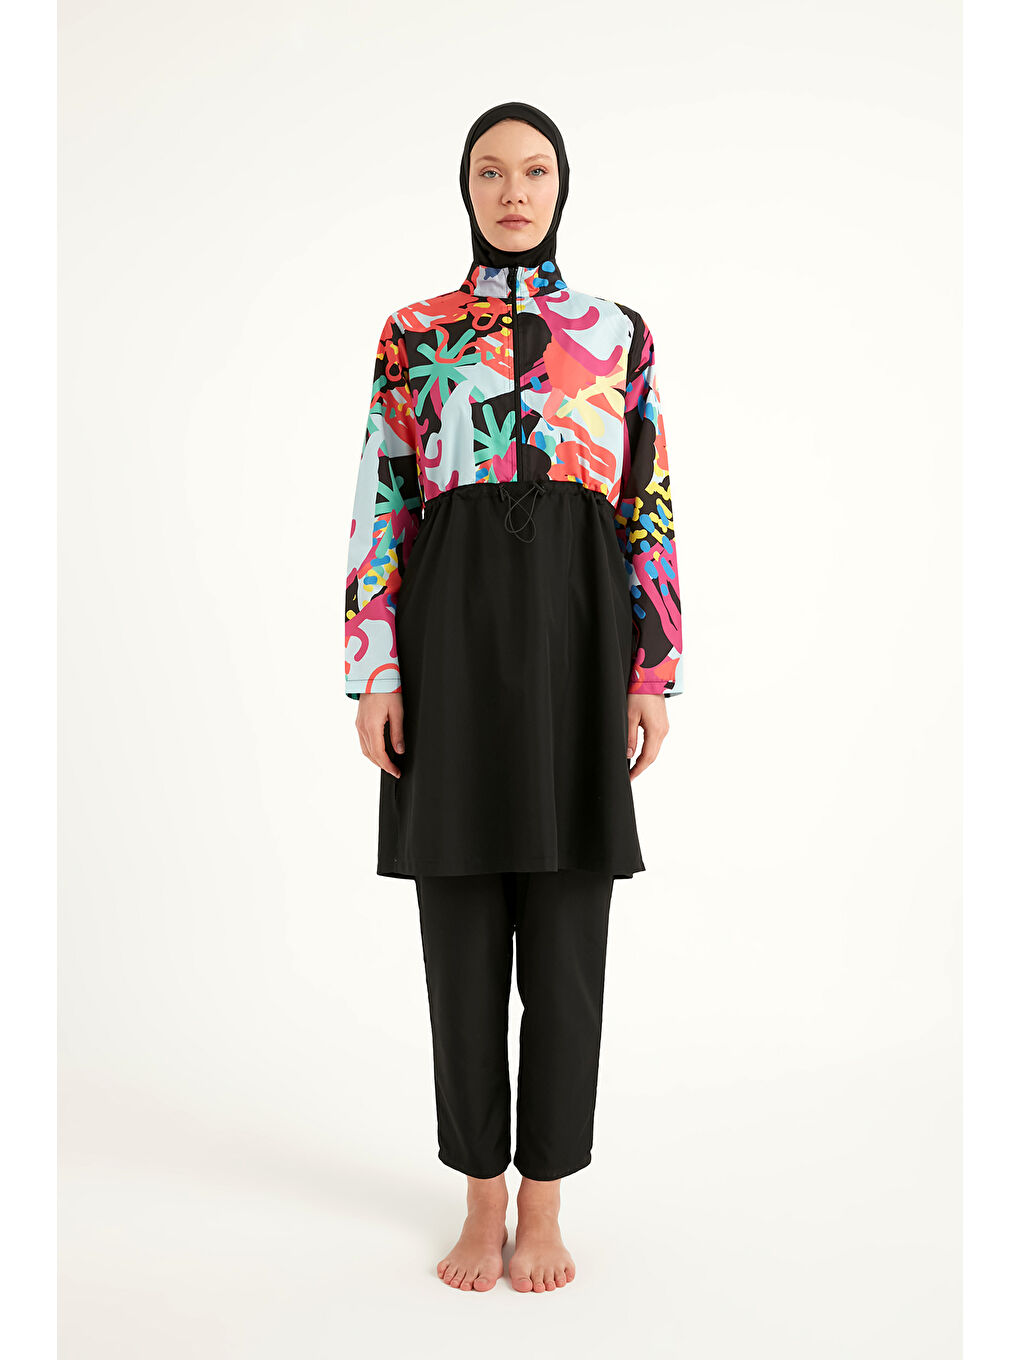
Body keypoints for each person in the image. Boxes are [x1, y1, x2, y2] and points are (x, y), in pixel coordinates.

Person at [344, 101, 683, 1292]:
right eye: (491, 171)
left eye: (534, 170)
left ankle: (545, 1200)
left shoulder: (617, 332)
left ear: (561, 185)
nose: (514, 191)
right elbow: (382, 497)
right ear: (466, 188)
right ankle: (479, 1192)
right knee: (461, 941)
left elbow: (647, 502)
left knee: (570, 944)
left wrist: (652, 669)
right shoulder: (414, 332)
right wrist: (375, 668)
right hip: (447, 645)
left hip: (584, 644)